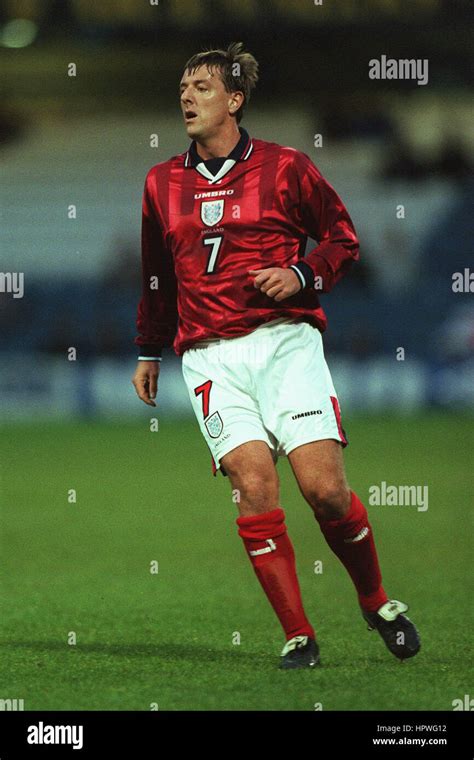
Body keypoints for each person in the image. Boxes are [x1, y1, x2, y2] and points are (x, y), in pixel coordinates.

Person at [132, 42, 420, 669]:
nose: (186, 97)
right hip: (209, 357)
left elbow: (343, 239)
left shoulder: (287, 167)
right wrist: (149, 348)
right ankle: (299, 635)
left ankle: (374, 601)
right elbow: (157, 274)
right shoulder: (161, 183)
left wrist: (301, 272)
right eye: (183, 87)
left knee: (324, 492)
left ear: (234, 101)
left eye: (202, 88)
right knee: (254, 486)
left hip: (285, 343)